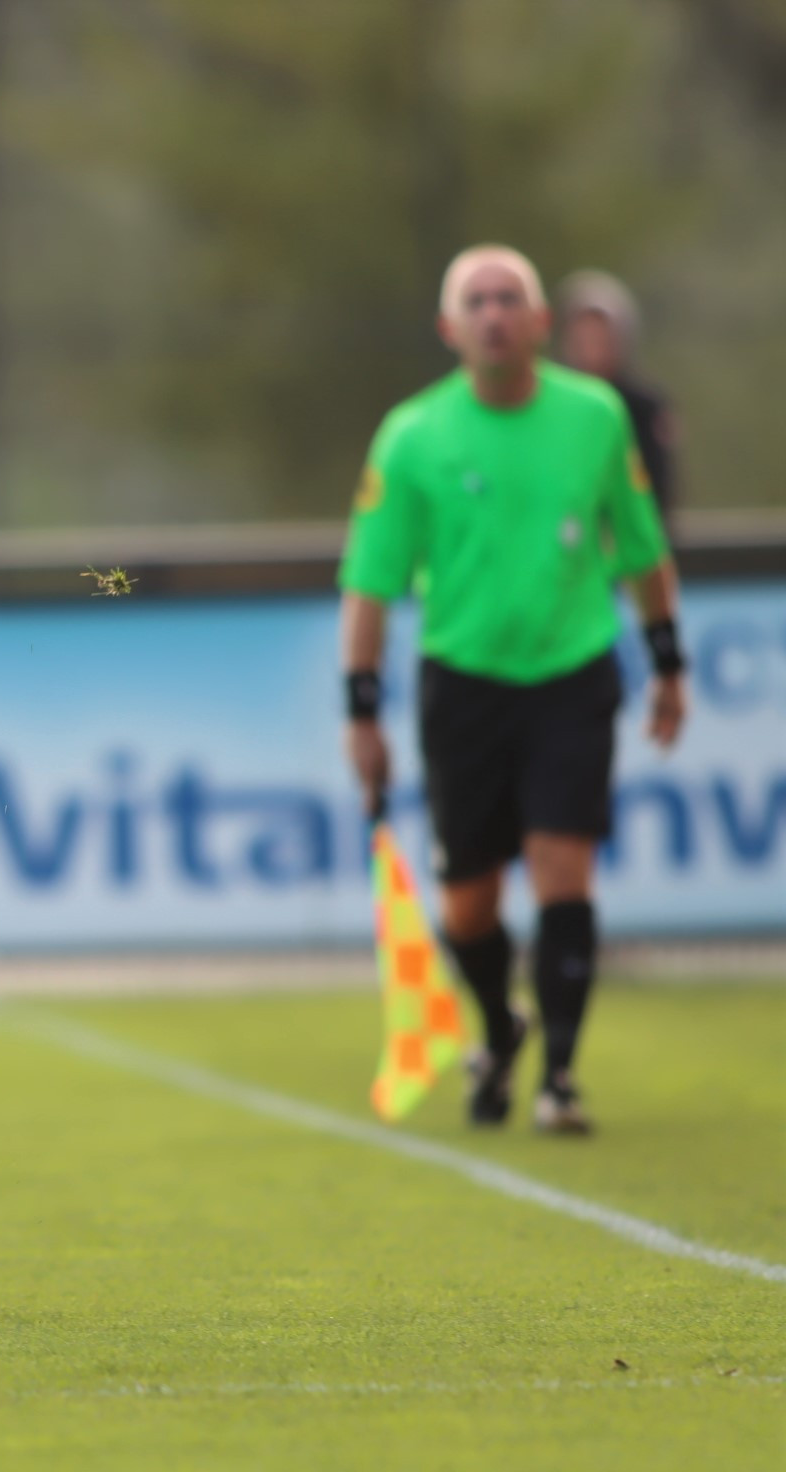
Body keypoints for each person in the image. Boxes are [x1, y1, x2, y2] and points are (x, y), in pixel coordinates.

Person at [340, 244, 686, 1137]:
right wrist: (362, 711)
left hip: (572, 672)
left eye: (511, 299)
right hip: (463, 682)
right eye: (477, 301)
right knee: (470, 901)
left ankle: (560, 1078)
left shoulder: (595, 417)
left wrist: (669, 661)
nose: (495, 314)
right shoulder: (412, 436)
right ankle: (500, 1028)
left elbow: (643, 550)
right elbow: (369, 585)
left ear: (539, 323)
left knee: (564, 868)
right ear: (450, 329)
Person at [555, 270, 678, 516]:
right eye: (584, 335)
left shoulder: (644, 406)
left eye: (601, 335)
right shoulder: (553, 403)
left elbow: (658, 486)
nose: (592, 345)